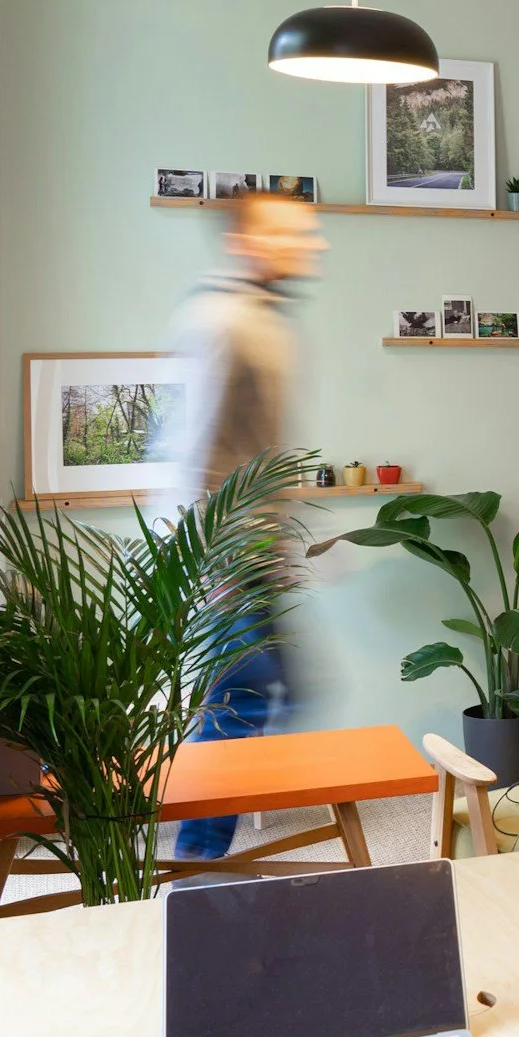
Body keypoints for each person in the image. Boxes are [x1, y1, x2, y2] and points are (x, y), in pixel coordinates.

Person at [168, 190, 326, 859]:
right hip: (226, 565)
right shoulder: (222, 322)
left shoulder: (268, 323)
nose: (310, 244)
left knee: (285, 695)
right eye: (292, 232)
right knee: (243, 705)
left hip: (257, 559)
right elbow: (193, 452)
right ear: (245, 241)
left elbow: (259, 455)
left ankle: (203, 854)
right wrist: (210, 574)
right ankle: (196, 867)